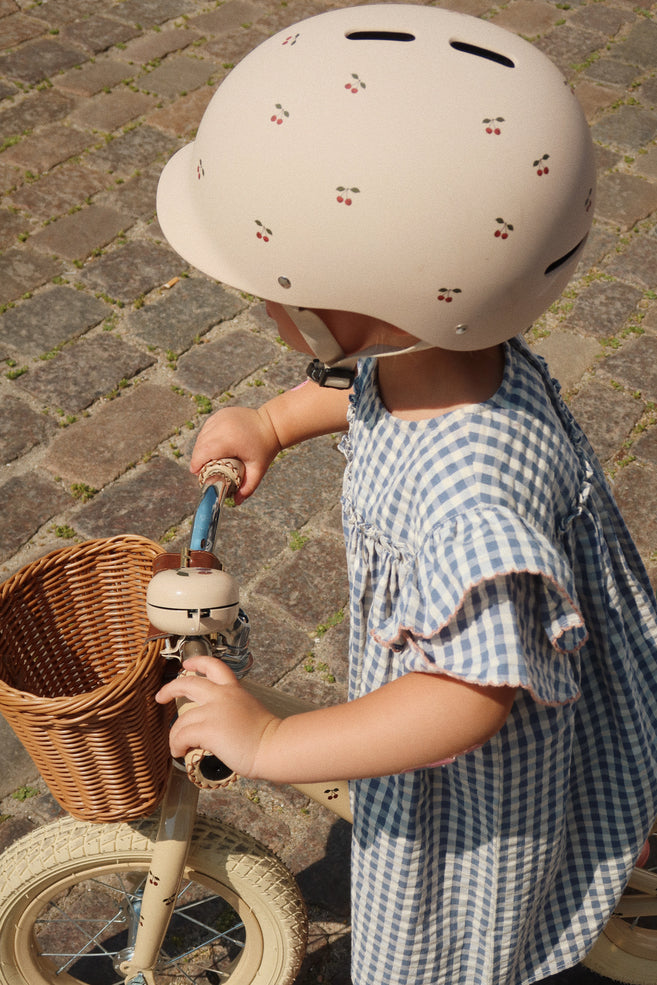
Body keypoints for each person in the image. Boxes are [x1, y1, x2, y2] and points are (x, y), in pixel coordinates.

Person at [154, 6, 657, 984]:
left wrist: (269, 739)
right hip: (532, 660)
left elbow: (464, 700)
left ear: (346, 303)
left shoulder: (470, 507)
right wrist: (270, 420)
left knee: (443, 949)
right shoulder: (457, 357)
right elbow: (366, 385)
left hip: (476, 781)